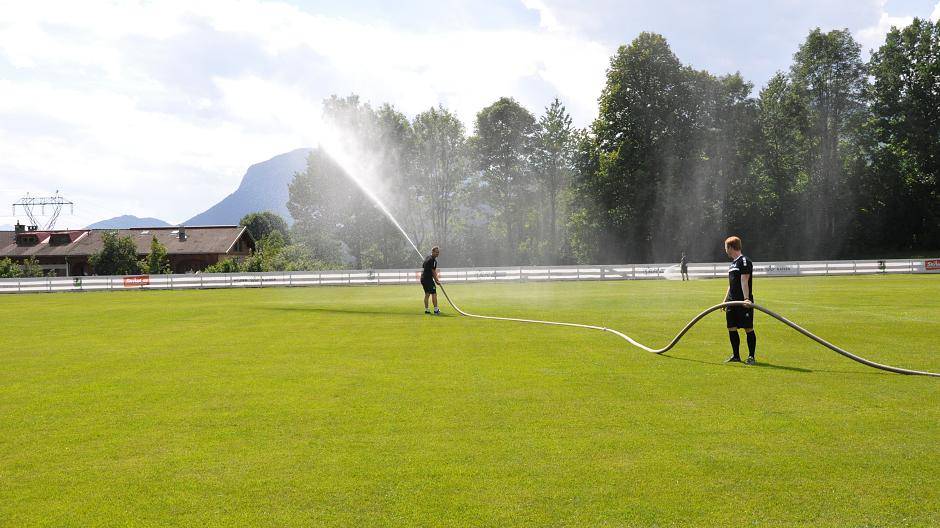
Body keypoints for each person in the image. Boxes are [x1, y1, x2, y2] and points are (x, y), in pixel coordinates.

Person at [722, 236, 756, 364]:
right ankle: (736, 356)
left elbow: (744, 280)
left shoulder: (744, 261)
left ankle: (751, 357)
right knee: (731, 327)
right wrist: (725, 300)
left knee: (748, 328)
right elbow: (730, 284)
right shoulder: (732, 264)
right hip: (732, 302)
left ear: (731, 247)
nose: (725, 250)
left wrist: (746, 299)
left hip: (743, 302)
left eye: (726, 247)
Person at [421, 246, 442, 315]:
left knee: (427, 294)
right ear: (432, 252)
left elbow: (424, 267)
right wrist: (436, 280)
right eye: (436, 252)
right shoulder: (433, 261)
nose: (437, 253)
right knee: (434, 293)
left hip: (423, 279)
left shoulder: (427, 258)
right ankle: (436, 310)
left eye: (438, 252)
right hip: (428, 279)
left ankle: (427, 310)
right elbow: (433, 271)